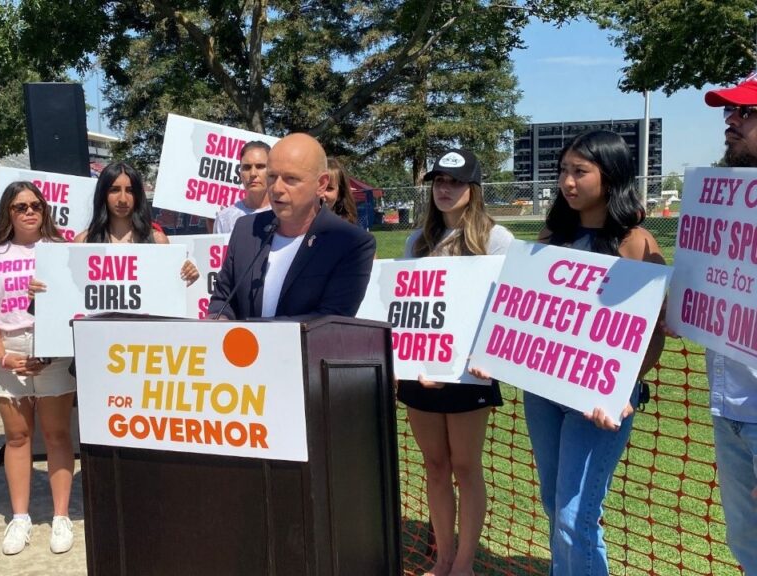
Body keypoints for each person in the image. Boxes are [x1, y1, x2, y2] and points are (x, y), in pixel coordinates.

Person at [471, 130, 665, 576]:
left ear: (611, 176)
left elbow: (651, 332)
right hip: (544, 394)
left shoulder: (637, 242)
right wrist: (496, 355)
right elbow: (526, 312)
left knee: (575, 514)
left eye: (580, 171)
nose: (567, 182)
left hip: (599, 400)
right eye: (563, 171)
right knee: (555, 504)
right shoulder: (551, 234)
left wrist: (623, 390)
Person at [398, 149, 512, 576]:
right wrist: (413, 364)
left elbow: (507, 308)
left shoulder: (496, 239)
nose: (445, 189)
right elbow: (408, 308)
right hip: (422, 373)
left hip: (469, 374)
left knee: (465, 467)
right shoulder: (417, 241)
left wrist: (479, 358)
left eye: (455, 182)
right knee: (435, 466)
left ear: (474, 189)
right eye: (439, 181)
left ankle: (464, 562)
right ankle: (442, 558)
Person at [0, 181, 77, 556]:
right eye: (21, 207)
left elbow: (76, 298)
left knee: (56, 436)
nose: (30, 211)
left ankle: (61, 516)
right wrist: (1, 356)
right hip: (10, 350)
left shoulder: (59, 249)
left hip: (52, 349)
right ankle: (20, 518)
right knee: (17, 437)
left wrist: (51, 308)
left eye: (36, 205)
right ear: (8, 212)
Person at [207, 133, 375, 319]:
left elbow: (330, 320)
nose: (277, 188)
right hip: (240, 347)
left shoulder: (350, 243)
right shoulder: (246, 229)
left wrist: (253, 330)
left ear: (321, 184)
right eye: (272, 176)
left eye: (291, 179)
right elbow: (223, 299)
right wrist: (219, 319)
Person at [700, 76, 757, 574]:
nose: (730, 121)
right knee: (747, 544)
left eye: (746, 113)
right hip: (730, 404)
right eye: (729, 112)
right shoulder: (725, 201)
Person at [213, 141, 272, 234]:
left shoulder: (286, 216)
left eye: (260, 166)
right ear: (240, 173)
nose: (253, 173)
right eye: (247, 167)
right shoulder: (224, 218)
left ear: (272, 170)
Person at [324, 157, 359, 224]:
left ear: (339, 194)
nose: (321, 194)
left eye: (329, 188)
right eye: (317, 187)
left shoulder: (344, 230)